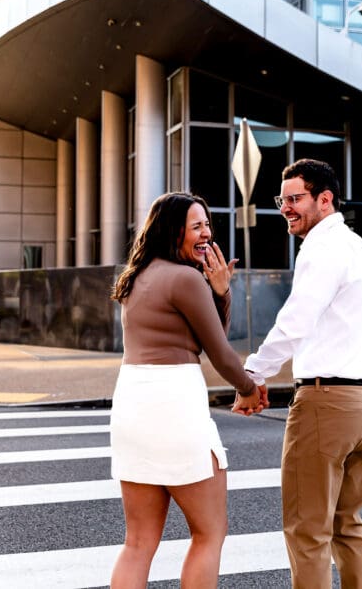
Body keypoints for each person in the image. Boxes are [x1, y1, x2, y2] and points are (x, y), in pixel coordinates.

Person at [236, 159, 362, 589]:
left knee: (308, 531)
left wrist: (252, 376)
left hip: (326, 404)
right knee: (349, 524)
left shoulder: (322, 249)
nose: (286, 207)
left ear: (325, 200)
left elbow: (294, 322)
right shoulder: (361, 250)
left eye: (295, 198)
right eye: (281, 199)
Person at [109, 191, 267, 589]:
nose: (206, 234)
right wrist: (249, 388)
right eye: (196, 226)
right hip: (174, 404)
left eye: (207, 225)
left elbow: (204, 335)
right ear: (172, 230)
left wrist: (219, 290)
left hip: (131, 402)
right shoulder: (184, 279)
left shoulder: (137, 277)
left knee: (139, 541)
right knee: (209, 533)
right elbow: (220, 351)